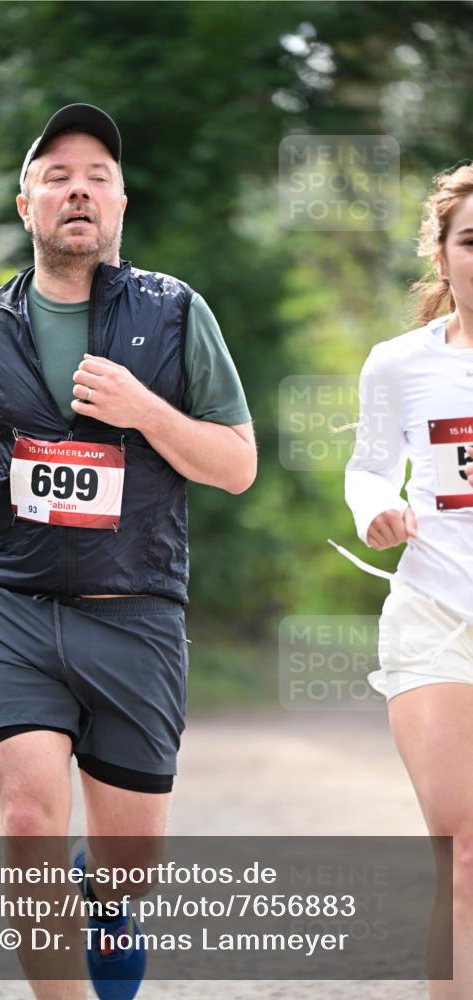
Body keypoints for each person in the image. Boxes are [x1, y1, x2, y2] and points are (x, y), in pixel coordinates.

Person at [0, 103, 256, 1000]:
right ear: (27, 207)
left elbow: (238, 466)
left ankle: (107, 897)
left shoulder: (175, 313)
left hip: (133, 613)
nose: (77, 190)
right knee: (26, 817)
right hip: (15, 608)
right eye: (56, 177)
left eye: (96, 176)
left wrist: (145, 411)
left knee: (130, 867)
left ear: (121, 204)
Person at [344, 163, 473, 999]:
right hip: (435, 612)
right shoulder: (398, 364)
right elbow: (367, 471)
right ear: (443, 254)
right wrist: (374, 515)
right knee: (464, 851)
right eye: (472, 240)